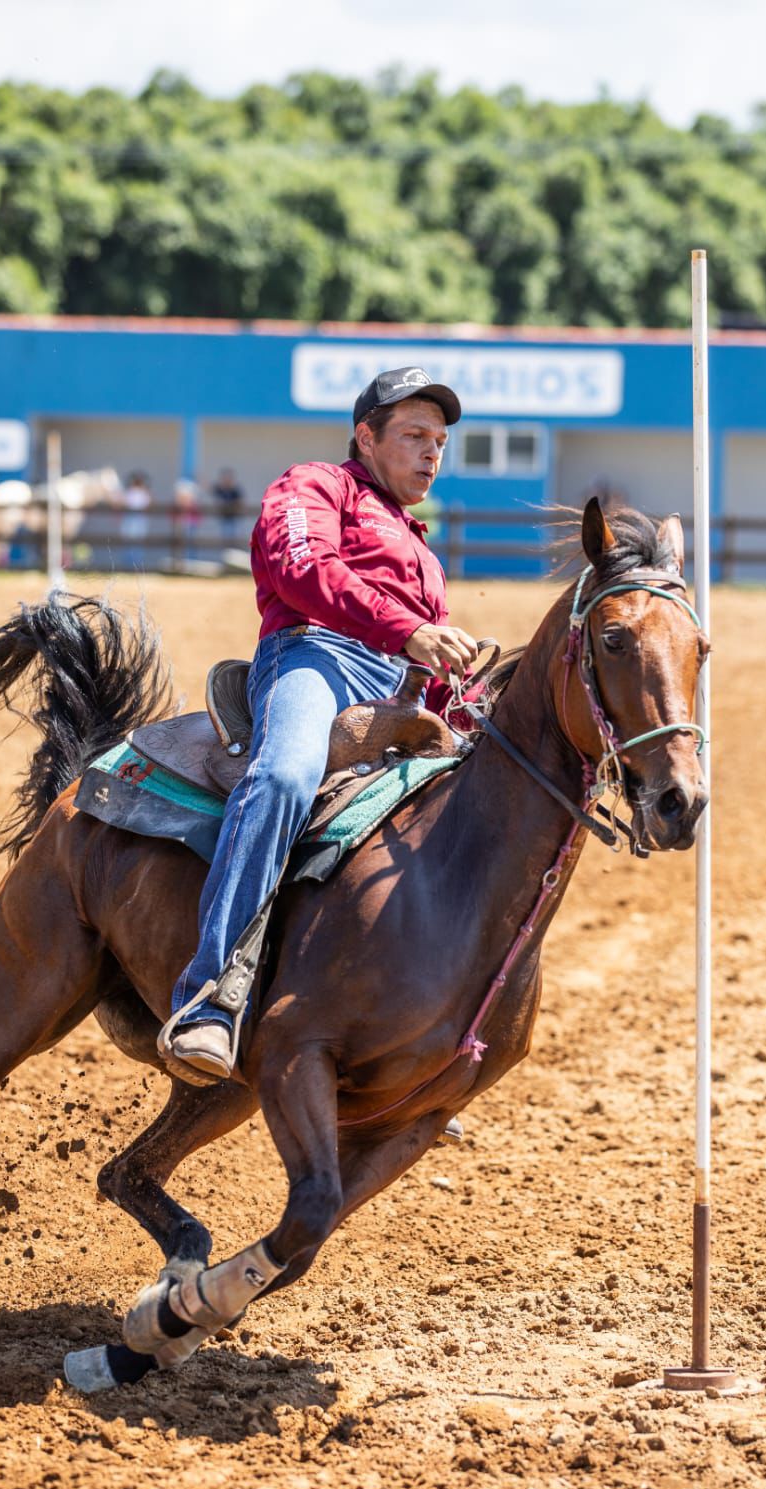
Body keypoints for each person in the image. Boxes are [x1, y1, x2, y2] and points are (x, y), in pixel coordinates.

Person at [161, 367, 478, 1083]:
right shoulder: (314, 485)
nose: (432, 453)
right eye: (414, 436)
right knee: (283, 776)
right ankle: (210, 999)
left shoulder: (421, 549)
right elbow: (302, 568)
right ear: (366, 436)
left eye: (441, 441)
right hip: (315, 658)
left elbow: (435, 655)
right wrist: (409, 631)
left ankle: (409, 1038)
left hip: (403, 690)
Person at [211, 467, 245, 541]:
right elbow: (210, 489)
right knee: (223, 537)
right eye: (225, 478)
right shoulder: (220, 490)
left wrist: (232, 506)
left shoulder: (235, 490)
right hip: (223, 519)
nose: (226, 480)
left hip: (233, 519)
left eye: (228, 478)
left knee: (233, 537)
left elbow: (240, 502)